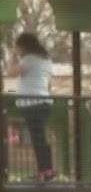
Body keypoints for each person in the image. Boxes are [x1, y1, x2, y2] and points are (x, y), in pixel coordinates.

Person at [11, 33, 55, 180]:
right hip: (44, 101)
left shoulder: (29, 59)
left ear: (23, 46)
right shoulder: (46, 60)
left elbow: (11, 72)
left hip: (32, 103)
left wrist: (13, 56)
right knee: (40, 137)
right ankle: (46, 169)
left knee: (37, 138)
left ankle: (45, 170)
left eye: (18, 47)